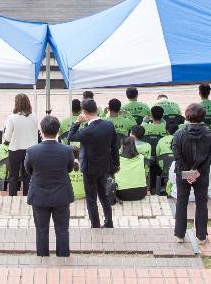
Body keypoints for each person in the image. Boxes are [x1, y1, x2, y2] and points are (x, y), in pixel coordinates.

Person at [24, 115, 74, 257]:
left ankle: (42, 256)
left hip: (39, 195)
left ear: (41, 131)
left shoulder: (32, 151)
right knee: (62, 229)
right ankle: (63, 256)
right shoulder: (67, 150)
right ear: (58, 131)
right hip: (61, 195)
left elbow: (29, 170)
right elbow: (69, 168)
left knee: (41, 229)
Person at [68, 98, 118, 229]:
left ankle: (95, 224)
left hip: (89, 168)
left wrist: (77, 122)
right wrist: (116, 165)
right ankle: (109, 222)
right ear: (96, 109)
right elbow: (114, 147)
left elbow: (70, 136)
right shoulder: (109, 125)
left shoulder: (86, 131)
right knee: (104, 195)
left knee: (91, 198)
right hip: (104, 166)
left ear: (84, 113)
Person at [171, 103, 211, 242]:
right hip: (201, 173)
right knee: (201, 203)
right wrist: (196, 172)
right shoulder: (209, 134)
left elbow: (177, 155)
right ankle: (201, 236)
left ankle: (179, 235)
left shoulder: (179, 134)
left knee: (181, 202)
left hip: (184, 173)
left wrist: (188, 172)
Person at [2, 93, 38, 198]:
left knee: (13, 176)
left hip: (15, 149)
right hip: (31, 149)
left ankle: (12, 197)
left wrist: (6, 141)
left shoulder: (12, 118)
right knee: (27, 176)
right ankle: (27, 197)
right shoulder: (34, 116)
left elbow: (7, 137)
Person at [113, 136, 149, 201]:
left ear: (122, 146)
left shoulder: (117, 159)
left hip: (121, 194)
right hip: (141, 193)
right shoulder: (141, 158)